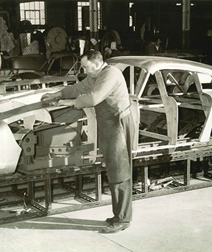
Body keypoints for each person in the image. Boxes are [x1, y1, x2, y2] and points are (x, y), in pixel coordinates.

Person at [41, 50, 137, 234]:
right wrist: (59, 94)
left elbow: (93, 98)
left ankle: (123, 219)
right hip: (108, 125)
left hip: (118, 123)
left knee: (120, 171)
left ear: (96, 62)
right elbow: (78, 88)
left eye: (85, 66)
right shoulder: (95, 75)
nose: (84, 70)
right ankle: (118, 215)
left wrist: (70, 103)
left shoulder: (110, 74)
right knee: (113, 169)